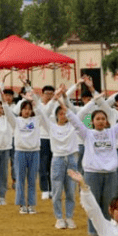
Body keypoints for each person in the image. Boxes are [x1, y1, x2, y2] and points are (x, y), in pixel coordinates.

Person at [62, 83, 118, 236]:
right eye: (97, 119)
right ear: (92, 121)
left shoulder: (113, 132)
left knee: (108, 204)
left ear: (106, 121)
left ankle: (107, 232)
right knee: (93, 204)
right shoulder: (87, 134)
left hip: (110, 173)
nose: (101, 121)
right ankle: (95, 233)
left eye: (103, 119)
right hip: (92, 173)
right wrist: (61, 103)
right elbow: (75, 120)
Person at [33, 87, 81, 228]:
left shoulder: (73, 126)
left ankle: (70, 217)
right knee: (57, 190)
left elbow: (82, 113)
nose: (63, 115)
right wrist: (53, 100)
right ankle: (59, 218)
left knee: (71, 191)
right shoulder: (51, 126)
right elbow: (42, 114)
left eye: (65, 113)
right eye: (60, 113)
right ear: (56, 115)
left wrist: (64, 100)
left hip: (71, 159)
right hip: (58, 160)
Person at [5, 96, 41, 214]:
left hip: (34, 152)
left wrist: (33, 100)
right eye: (24, 109)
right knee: (20, 179)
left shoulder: (36, 120)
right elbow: (7, 111)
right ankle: (21, 205)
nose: (27, 111)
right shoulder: (16, 121)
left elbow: (44, 110)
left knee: (32, 180)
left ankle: (31, 205)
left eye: (29, 109)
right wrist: (2, 97)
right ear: (20, 110)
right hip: (20, 152)